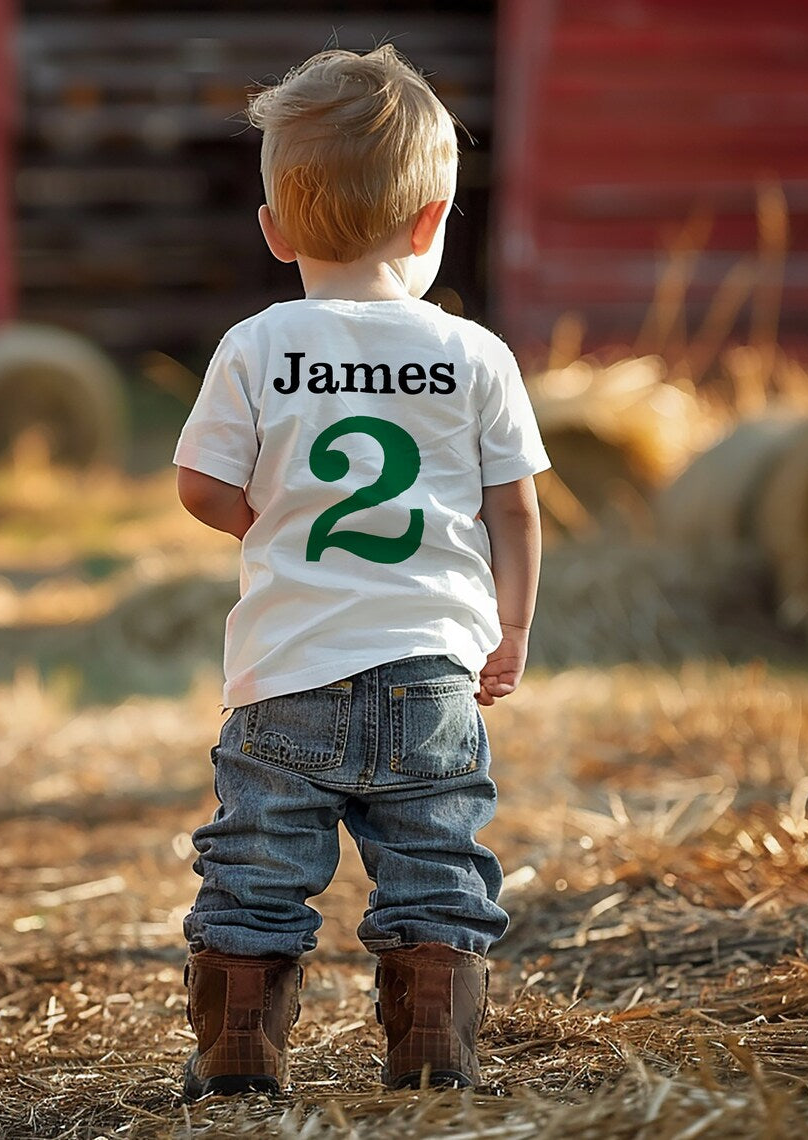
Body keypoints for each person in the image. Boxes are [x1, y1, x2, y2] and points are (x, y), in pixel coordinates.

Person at [173, 43, 548, 1099]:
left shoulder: (257, 344)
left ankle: (240, 1048)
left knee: (256, 866)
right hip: (432, 669)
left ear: (275, 229)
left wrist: (272, 523)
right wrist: (510, 630)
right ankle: (432, 1044)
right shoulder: (473, 355)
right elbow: (514, 507)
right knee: (436, 862)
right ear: (433, 222)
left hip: (286, 668)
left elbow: (199, 487)